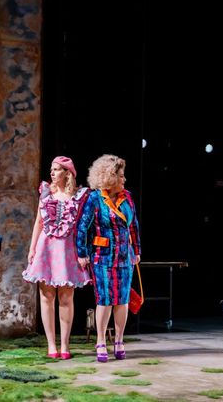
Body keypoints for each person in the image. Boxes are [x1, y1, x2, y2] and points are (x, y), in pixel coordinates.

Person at [22, 156, 91, 359]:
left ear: (67, 173)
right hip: (46, 249)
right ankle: (51, 344)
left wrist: (83, 251)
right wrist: (32, 249)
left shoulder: (79, 197)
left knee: (66, 297)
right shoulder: (46, 193)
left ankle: (65, 345)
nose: (52, 173)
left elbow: (84, 227)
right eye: (51, 169)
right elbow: (38, 223)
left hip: (67, 250)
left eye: (57, 169)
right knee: (47, 296)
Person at [76, 154, 141, 362]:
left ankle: (119, 340)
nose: (124, 180)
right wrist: (82, 253)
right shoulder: (95, 198)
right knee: (104, 299)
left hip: (124, 257)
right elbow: (82, 227)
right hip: (102, 257)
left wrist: (136, 250)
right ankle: (101, 340)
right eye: (120, 176)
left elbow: (133, 226)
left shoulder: (127, 197)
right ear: (110, 177)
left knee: (122, 300)